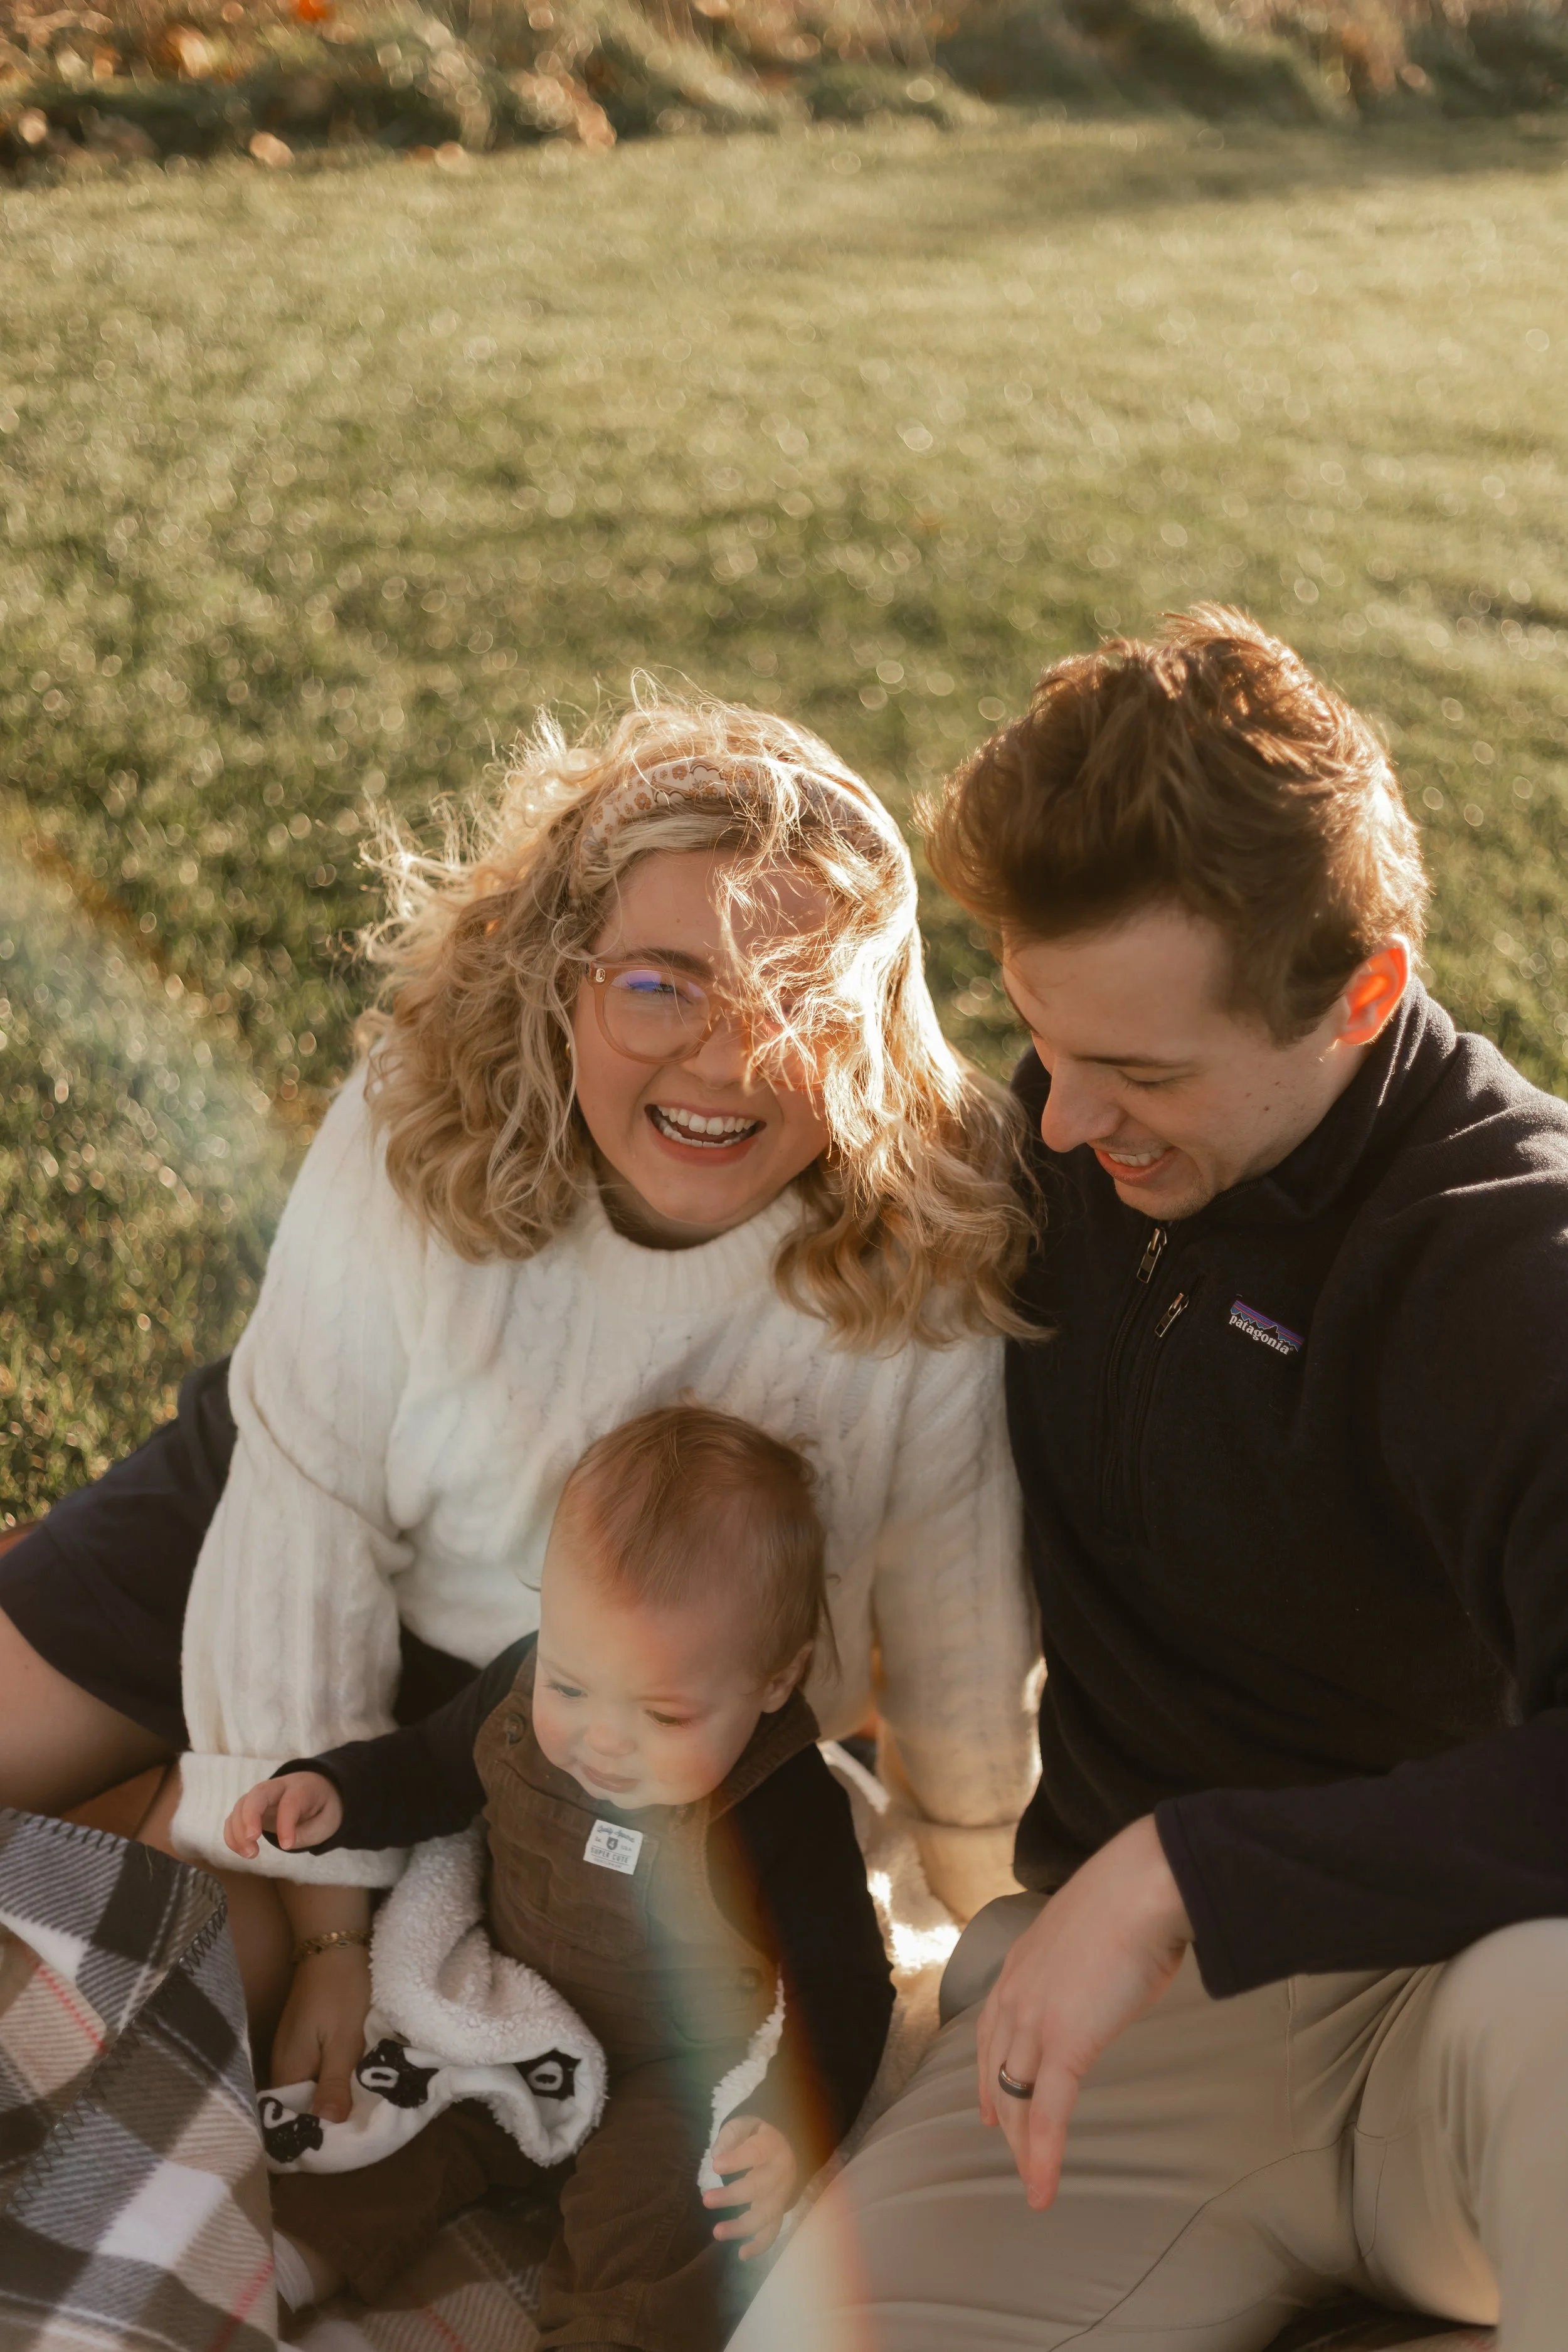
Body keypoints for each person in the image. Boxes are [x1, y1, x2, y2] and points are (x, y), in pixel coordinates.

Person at [0, 697, 1039, 2124]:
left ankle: (154, 1825)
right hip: (266, 1534)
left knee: (141, 1995)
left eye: (798, 1003)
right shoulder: (421, 1112)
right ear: (561, 973)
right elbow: (306, 1510)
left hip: (547, 1708)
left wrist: (986, 1889)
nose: (726, 1061)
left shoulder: (920, 1230)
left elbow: (950, 1593)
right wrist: (334, 1930)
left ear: (874, 1020)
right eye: (658, 984)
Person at [731, 609, 1568, 2352]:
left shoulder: (1510, 1261)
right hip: (1125, 2028)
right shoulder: (1055, 1158)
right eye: (1048, 1043)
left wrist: (1190, 1865)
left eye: (1143, 1071)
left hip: (1471, 2003)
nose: (1059, 1126)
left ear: (1363, 992)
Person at [229, 1402, 895, 2346]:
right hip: (511, 2016)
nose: (601, 1740)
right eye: (570, 1684)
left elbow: (845, 1989)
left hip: (676, 2073)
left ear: (775, 1682)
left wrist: (788, 2127)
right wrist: (331, 1792)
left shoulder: (786, 1807)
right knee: (388, 2120)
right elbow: (424, 1767)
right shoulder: (512, 1695)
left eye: (663, 1715)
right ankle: (276, 2267)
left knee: (659, 2216)